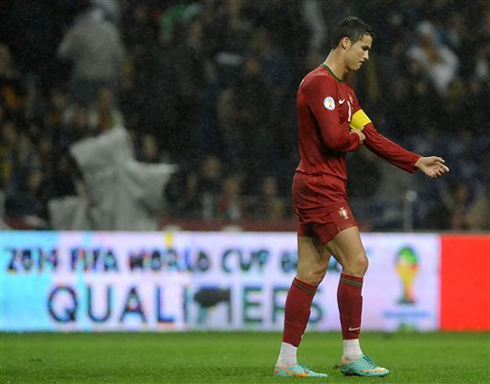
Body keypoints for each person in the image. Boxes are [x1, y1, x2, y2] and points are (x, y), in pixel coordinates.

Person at [273, 16, 450, 378]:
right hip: (319, 185)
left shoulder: (347, 94)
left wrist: (415, 161)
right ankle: (352, 355)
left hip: (320, 184)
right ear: (344, 43)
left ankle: (286, 361)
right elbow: (336, 140)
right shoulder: (318, 84)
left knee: (311, 271)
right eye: (364, 48)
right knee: (356, 262)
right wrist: (357, 138)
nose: (367, 56)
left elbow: (374, 136)